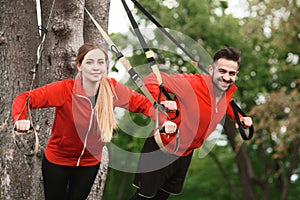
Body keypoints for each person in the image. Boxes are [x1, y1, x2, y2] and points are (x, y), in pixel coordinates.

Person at [12, 43, 177, 200]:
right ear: (79, 65)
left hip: (89, 163)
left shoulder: (112, 89)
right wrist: (21, 120)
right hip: (58, 161)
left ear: (106, 67)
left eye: (101, 62)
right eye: (89, 62)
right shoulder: (65, 89)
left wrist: (164, 121)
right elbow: (24, 98)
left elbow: (144, 105)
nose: (96, 67)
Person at [129, 47, 253, 199]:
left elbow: (224, 105)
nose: (227, 77)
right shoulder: (192, 84)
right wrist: (163, 102)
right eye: (222, 71)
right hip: (161, 148)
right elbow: (152, 79)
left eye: (231, 73)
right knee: (143, 198)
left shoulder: (225, 92)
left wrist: (240, 118)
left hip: (185, 154)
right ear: (211, 69)